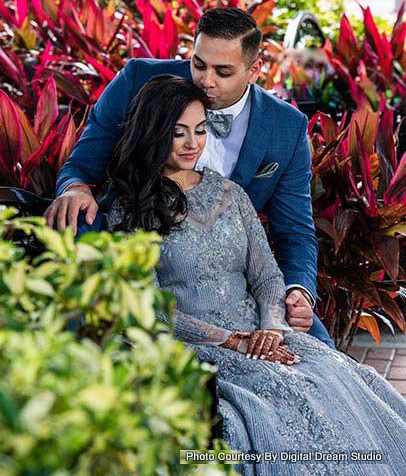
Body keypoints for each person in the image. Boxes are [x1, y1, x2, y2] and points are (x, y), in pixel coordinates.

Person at [77, 74, 406, 476]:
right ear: (153, 133)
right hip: (197, 345)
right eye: (177, 133)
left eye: (199, 130)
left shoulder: (231, 194)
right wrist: (231, 340)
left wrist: (270, 329)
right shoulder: (128, 210)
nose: (191, 144)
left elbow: (267, 275)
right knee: (264, 409)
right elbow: (149, 309)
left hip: (263, 336)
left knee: (337, 379)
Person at [44, 8, 335, 349]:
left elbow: (295, 231)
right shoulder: (139, 81)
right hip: (147, 263)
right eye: (199, 64)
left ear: (255, 70)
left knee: (326, 363)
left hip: (231, 283)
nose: (206, 81)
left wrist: (298, 290)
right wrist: (76, 188)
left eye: (223, 71)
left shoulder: (286, 127)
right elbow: (81, 164)